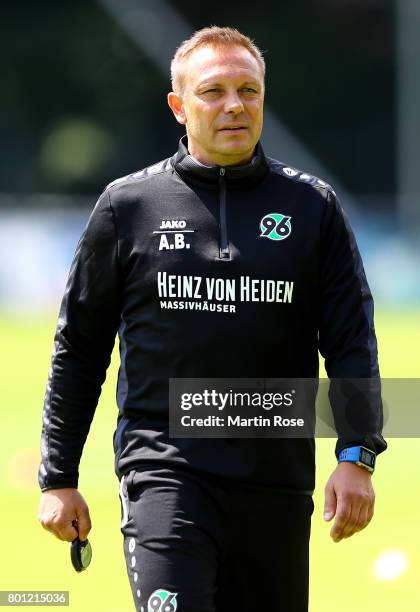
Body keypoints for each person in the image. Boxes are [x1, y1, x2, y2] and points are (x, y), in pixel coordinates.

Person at [37, 26, 387, 612]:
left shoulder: (312, 206)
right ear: (179, 106)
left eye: (249, 90)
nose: (234, 105)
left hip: (277, 477)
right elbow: (80, 347)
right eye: (213, 91)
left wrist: (356, 455)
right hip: (165, 472)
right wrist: (58, 477)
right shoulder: (128, 206)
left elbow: (351, 341)